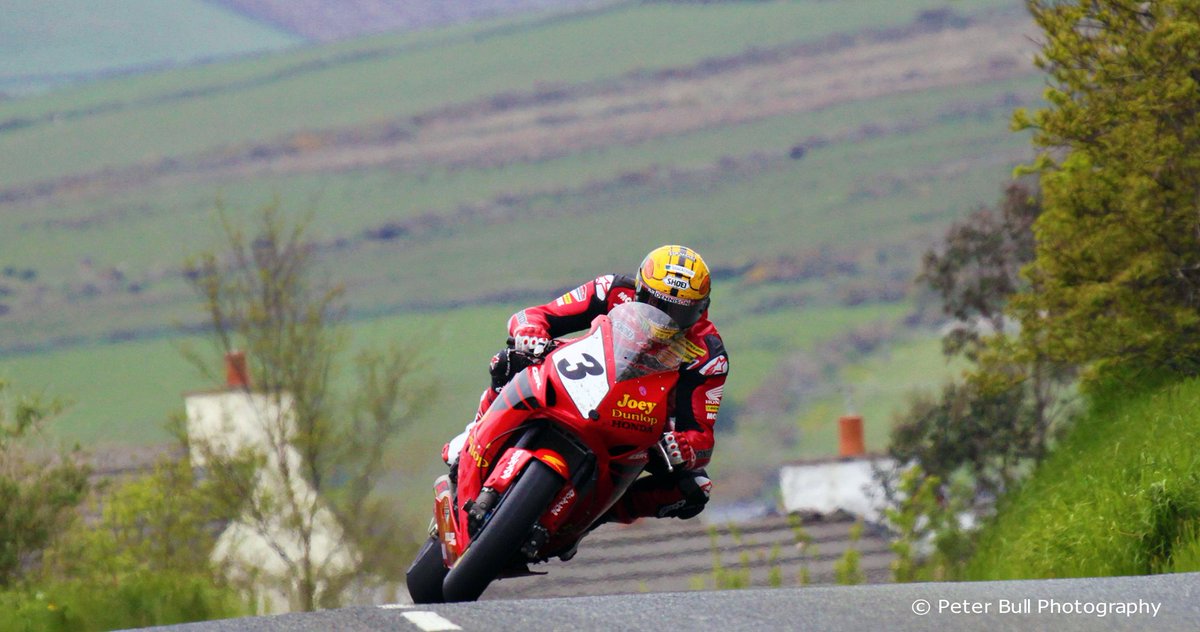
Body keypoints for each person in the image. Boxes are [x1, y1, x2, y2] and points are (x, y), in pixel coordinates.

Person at [443, 245, 729, 526]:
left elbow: (701, 435)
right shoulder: (611, 289)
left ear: (701, 309)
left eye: (680, 311)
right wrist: (530, 332)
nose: (666, 319)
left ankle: (598, 515)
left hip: (643, 424)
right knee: (508, 361)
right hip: (584, 375)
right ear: (640, 290)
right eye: (657, 304)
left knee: (695, 488)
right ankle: (474, 437)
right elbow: (534, 315)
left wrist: (685, 446)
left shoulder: (709, 353)